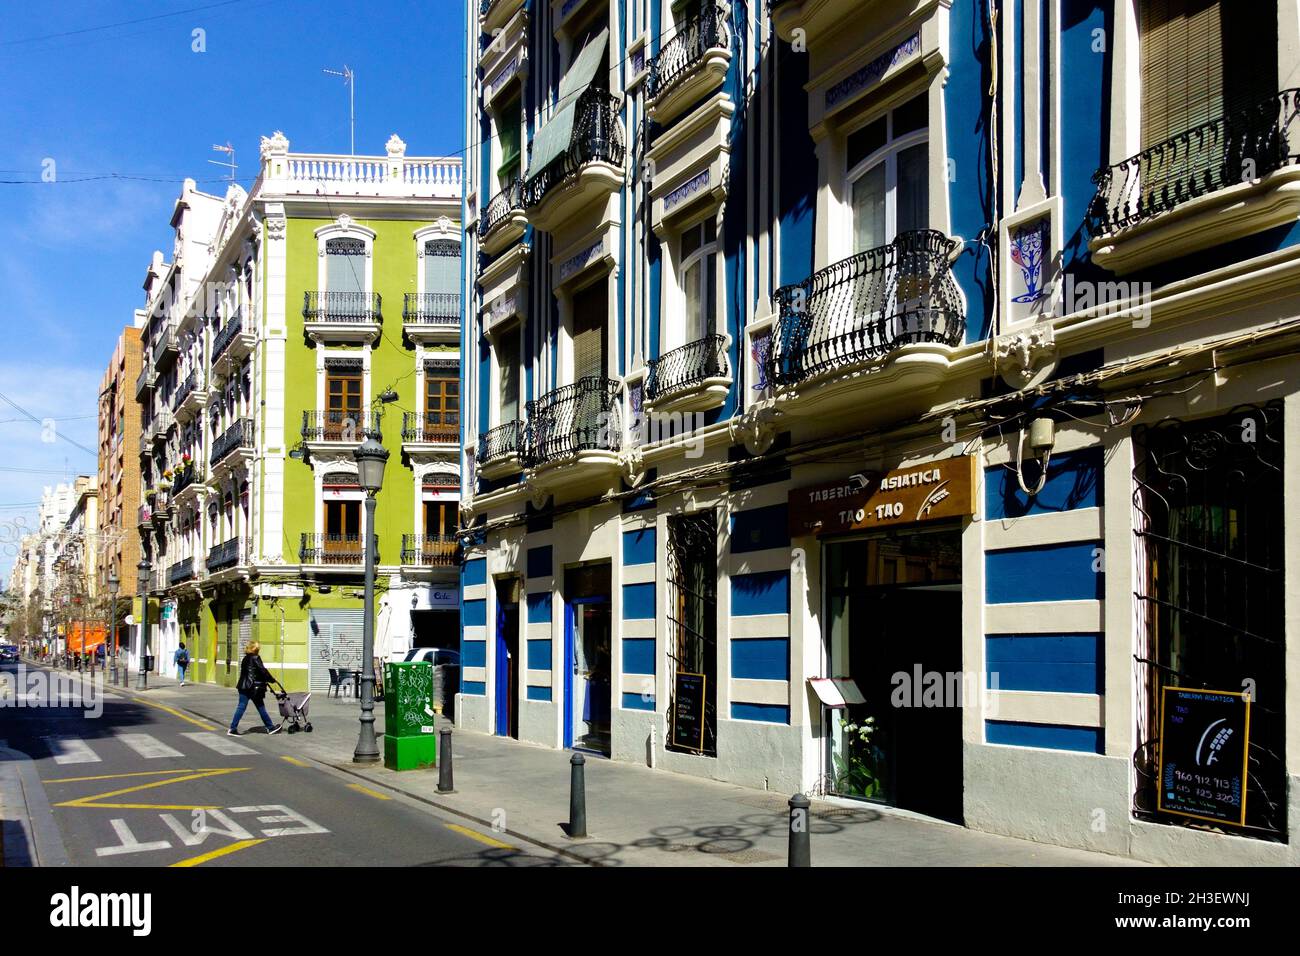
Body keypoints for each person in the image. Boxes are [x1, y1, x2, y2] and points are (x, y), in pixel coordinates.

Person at [228, 641, 282, 736]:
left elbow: (251, 672)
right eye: (257, 648)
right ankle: (270, 727)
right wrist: (272, 680)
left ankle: (232, 728)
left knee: (241, 707)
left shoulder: (245, 658)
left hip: (243, 686)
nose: (258, 650)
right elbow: (262, 670)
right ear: (254, 649)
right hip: (253, 688)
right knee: (261, 707)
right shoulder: (256, 658)